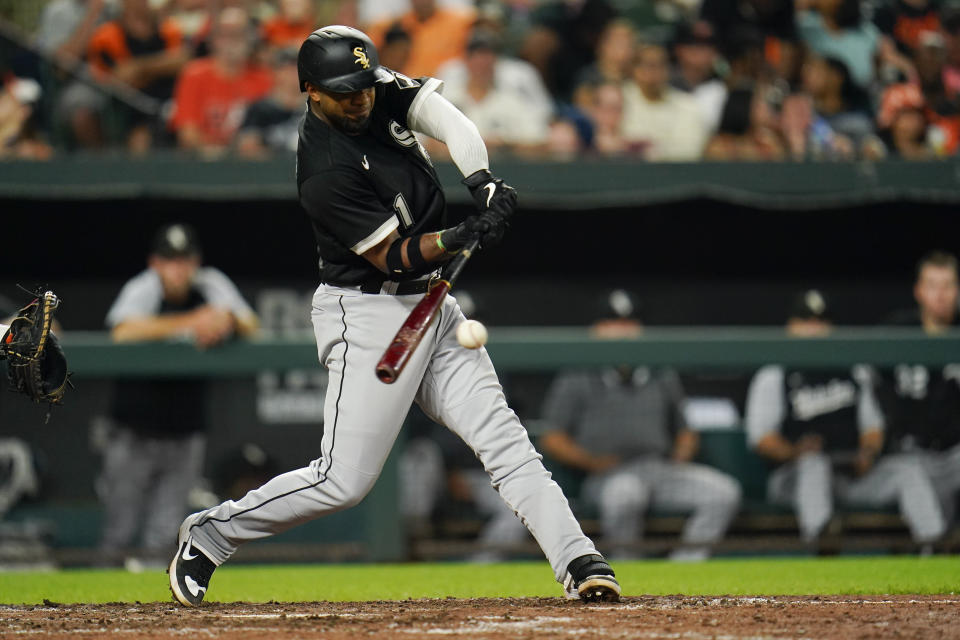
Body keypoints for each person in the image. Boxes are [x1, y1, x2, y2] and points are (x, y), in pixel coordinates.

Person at [168, 25, 620, 607]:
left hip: (433, 305)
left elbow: (448, 120)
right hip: (367, 311)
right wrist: (459, 234)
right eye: (344, 91)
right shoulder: (322, 170)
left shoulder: (373, 87)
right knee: (343, 481)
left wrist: (479, 182)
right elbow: (392, 254)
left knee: (505, 439)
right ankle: (212, 532)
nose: (360, 99)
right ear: (311, 90)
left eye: (363, 85)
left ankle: (579, 559)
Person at [539, 290, 743, 561]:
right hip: (608, 475)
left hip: (659, 469)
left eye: (629, 322)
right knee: (625, 495)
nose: (622, 330)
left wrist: (683, 451)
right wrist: (591, 462)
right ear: (596, 329)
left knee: (723, 492)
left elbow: (685, 430)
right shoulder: (578, 374)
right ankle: (629, 571)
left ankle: (685, 568)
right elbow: (552, 437)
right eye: (612, 322)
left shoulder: (660, 372)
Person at [99, 223, 258, 568]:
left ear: (195, 261)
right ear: (155, 263)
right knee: (119, 531)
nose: (178, 268)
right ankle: (100, 614)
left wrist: (224, 319)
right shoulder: (144, 287)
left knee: (164, 533)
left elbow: (251, 325)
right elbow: (122, 332)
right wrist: (192, 322)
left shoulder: (210, 283)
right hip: (134, 428)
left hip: (185, 428)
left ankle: (155, 615)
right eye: (170, 260)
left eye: (185, 260)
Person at [745, 289, 946, 549]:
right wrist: (796, 451)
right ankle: (822, 544)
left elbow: (873, 427)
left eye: (821, 322)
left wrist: (868, 452)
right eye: (806, 321)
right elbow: (761, 439)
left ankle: (935, 547)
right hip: (793, 479)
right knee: (814, 464)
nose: (814, 329)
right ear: (791, 326)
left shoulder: (853, 370)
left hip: (847, 474)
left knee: (906, 470)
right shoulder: (774, 374)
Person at [879, 251, 960, 524]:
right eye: (933, 286)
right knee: (909, 474)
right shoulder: (898, 333)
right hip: (911, 453)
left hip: (956, 453)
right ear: (919, 291)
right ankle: (932, 550)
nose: (941, 294)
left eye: (947, 285)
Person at [170, 7, 273, 153]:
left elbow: (272, 131)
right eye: (225, 34)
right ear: (213, 39)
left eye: (239, 34)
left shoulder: (264, 79)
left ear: (250, 38)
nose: (232, 40)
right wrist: (221, 154)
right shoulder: (194, 74)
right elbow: (187, 133)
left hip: (250, 166)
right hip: (205, 163)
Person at [621, 44, 708, 161]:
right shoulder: (618, 100)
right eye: (647, 65)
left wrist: (651, 150)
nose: (653, 71)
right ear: (633, 69)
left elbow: (691, 150)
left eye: (660, 65)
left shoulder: (688, 105)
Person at [366, 0, 475, 78]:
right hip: (406, 86)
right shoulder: (397, 24)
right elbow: (365, 46)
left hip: (447, 86)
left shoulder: (460, 21)